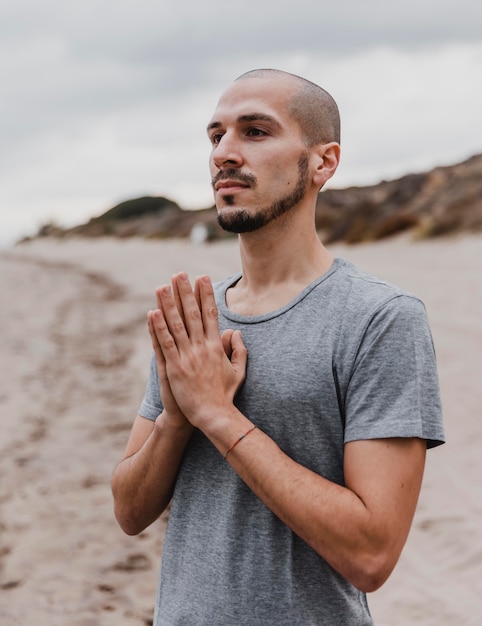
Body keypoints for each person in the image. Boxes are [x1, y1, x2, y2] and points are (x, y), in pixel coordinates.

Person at [111, 69, 445, 625]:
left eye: (256, 131)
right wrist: (176, 418)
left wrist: (218, 415)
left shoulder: (380, 320)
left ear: (323, 162)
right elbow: (129, 510)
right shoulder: (195, 313)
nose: (224, 153)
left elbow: (372, 553)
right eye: (216, 135)